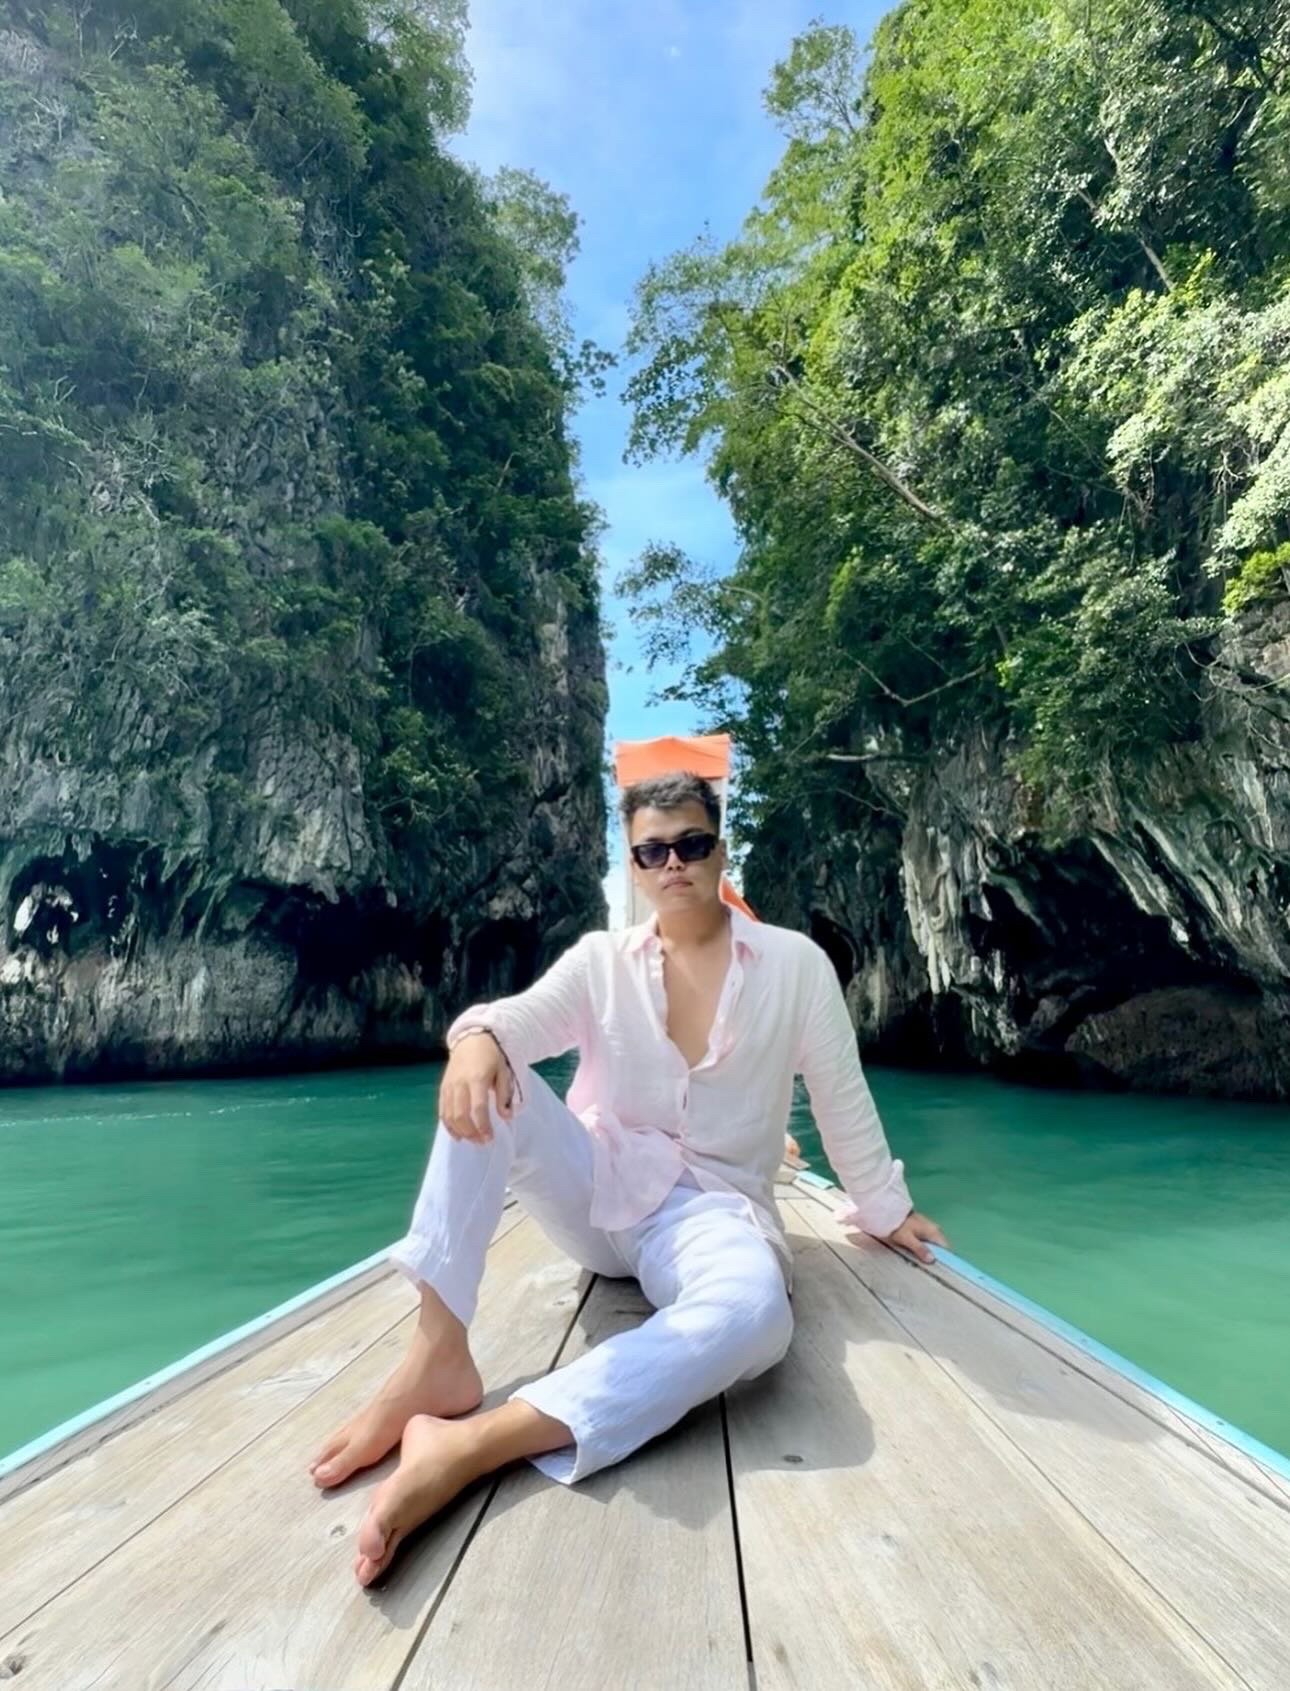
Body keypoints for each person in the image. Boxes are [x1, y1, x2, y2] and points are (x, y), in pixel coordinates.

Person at [310, 771, 946, 1586]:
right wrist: (476, 1039)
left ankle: (475, 1443)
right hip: (601, 1190)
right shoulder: (601, 961)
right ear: (634, 865)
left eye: (692, 844)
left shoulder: (796, 967)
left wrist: (886, 1205)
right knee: (492, 1077)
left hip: (712, 1212)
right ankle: (437, 1354)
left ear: (720, 849)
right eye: (653, 850)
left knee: (758, 1312)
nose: (673, 862)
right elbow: (518, 1018)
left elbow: (840, 1099)